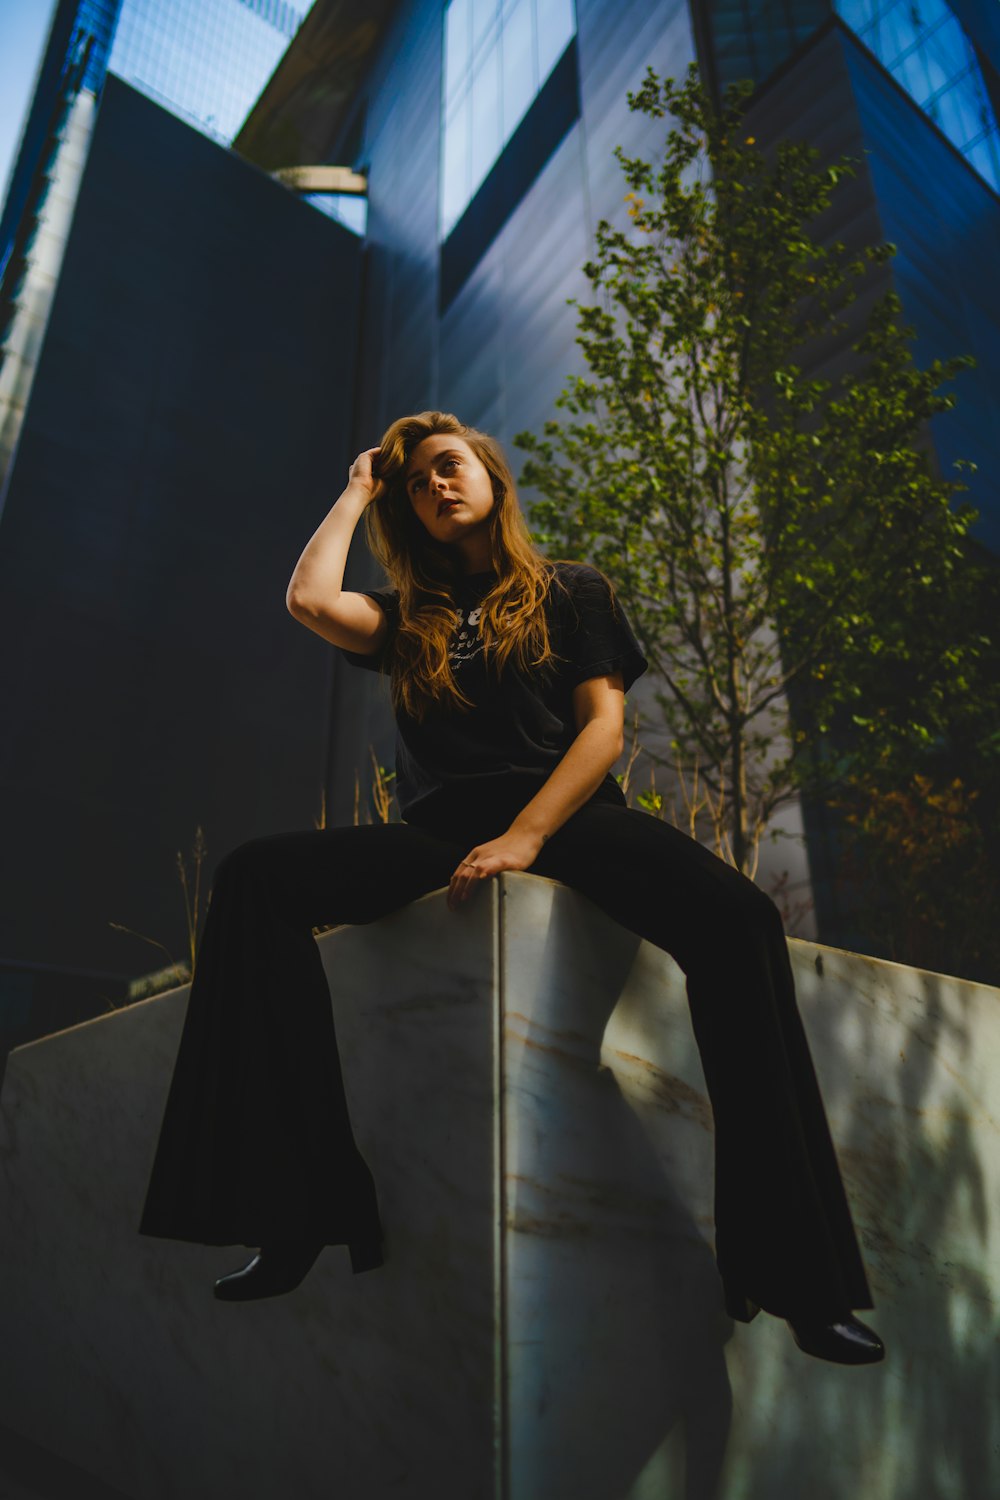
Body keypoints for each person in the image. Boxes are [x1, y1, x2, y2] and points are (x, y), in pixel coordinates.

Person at [138, 410, 884, 1366]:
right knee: (253, 879)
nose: (437, 485)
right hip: (440, 829)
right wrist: (360, 485)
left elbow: (603, 731)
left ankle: (795, 1279)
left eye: (451, 467)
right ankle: (301, 1213)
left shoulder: (571, 591)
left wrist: (528, 836)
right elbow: (309, 600)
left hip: (570, 811)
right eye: (419, 482)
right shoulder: (410, 619)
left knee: (739, 920)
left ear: (491, 476)